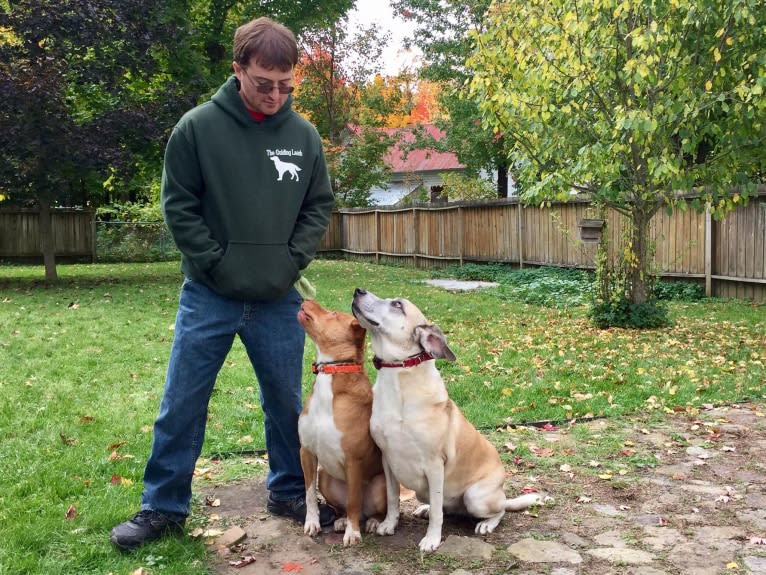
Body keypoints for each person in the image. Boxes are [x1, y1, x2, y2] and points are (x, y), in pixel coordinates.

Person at [110, 16, 336, 551]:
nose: (276, 95)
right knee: (182, 402)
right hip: (208, 295)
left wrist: (288, 263)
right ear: (238, 70)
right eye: (264, 83)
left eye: (286, 85)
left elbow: (317, 205)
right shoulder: (196, 128)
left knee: (285, 403)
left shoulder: (303, 136)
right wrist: (214, 264)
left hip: (279, 297)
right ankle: (163, 508)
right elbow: (179, 206)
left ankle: (287, 491)